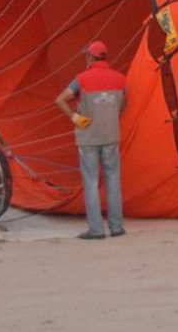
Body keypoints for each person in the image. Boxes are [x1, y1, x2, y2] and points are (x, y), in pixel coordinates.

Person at [54, 41, 127, 239]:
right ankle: (116, 227)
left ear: (89, 57)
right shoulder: (120, 79)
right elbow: (123, 104)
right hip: (111, 136)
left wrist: (75, 117)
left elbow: (60, 99)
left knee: (91, 182)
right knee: (113, 181)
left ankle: (96, 230)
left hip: (88, 139)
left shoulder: (81, 80)